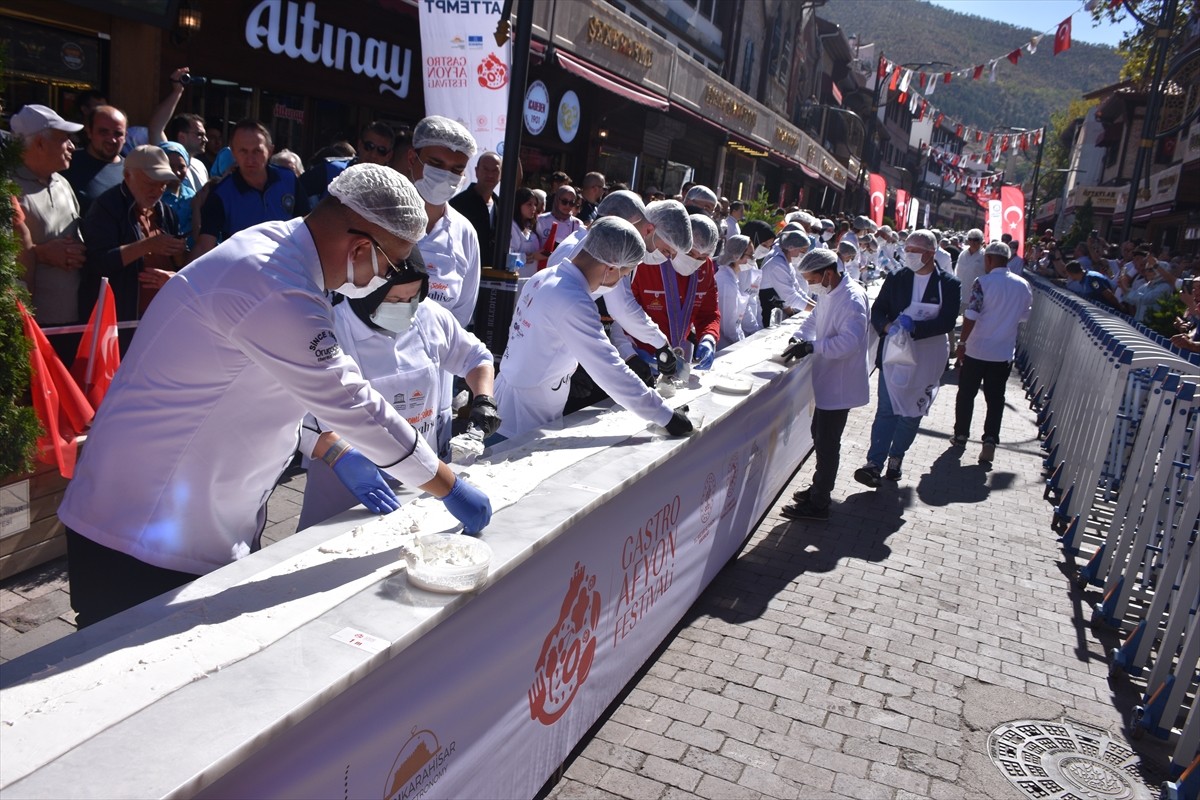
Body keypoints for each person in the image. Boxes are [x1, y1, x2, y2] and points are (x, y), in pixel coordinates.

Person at [57, 164, 493, 628]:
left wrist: (332, 449)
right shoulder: (273, 282)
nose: (382, 280)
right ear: (361, 247)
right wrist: (448, 485)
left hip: (190, 519)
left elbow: (282, 387)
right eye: (388, 267)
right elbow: (350, 402)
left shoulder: (283, 253)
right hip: (142, 536)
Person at [298, 248, 496, 529]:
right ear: (369, 292)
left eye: (412, 298)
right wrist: (337, 454)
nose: (405, 307)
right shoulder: (329, 330)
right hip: (348, 489)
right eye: (394, 299)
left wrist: (484, 398)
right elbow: (296, 419)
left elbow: (476, 357)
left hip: (422, 481)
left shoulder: (430, 318)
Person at [492, 217, 693, 440]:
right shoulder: (573, 299)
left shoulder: (547, 276)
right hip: (525, 417)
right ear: (610, 267)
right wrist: (665, 415)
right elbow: (609, 369)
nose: (620, 282)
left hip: (513, 397)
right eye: (624, 274)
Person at [855, 229, 961, 487]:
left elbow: (947, 320)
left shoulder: (948, 284)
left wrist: (917, 328)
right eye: (908, 249)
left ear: (931, 254)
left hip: (928, 355)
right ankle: (874, 464)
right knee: (887, 409)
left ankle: (896, 456)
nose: (909, 255)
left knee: (913, 412)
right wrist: (888, 327)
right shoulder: (897, 278)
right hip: (895, 354)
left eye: (915, 251)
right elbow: (878, 310)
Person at [779, 248, 870, 520]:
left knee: (828, 442)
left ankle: (820, 503)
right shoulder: (830, 292)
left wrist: (812, 346)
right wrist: (799, 337)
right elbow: (815, 317)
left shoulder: (851, 299)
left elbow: (849, 343)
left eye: (811, 279)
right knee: (819, 435)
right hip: (828, 378)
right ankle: (819, 487)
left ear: (828, 273)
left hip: (839, 382)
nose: (810, 285)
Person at [79, 145, 188, 353]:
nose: (157, 191)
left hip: (160, 317)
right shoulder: (105, 208)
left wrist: (178, 255)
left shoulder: (166, 212)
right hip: (121, 321)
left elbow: (180, 263)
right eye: (150, 183)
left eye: (163, 185)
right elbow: (98, 263)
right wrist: (147, 246)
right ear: (128, 175)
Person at [11, 104, 87, 364]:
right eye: (63, 138)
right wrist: (40, 253)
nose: (72, 146)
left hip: (73, 320)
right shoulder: (7, 187)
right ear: (40, 143)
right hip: (32, 325)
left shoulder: (63, 182)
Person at [395, 116, 481, 330]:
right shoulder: (382, 218)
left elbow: (462, 312)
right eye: (436, 164)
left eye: (456, 169)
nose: (445, 176)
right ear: (412, 158)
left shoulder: (465, 233)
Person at [952, 241, 1032, 464]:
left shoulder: (982, 283)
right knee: (995, 398)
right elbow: (1024, 317)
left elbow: (972, 314)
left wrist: (962, 343)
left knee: (966, 393)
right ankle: (989, 439)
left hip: (977, 349)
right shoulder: (1023, 285)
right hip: (1003, 352)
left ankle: (960, 435)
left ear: (988, 259)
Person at [613, 213, 721, 372]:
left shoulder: (706, 268)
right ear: (678, 243)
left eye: (703, 257)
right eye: (690, 253)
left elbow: (709, 313)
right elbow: (622, 312)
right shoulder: (648, 261)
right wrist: (630, 353)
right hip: (640, 354)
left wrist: (708, 338)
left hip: (679, 355)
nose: (695, 261)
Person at [192, 120, 309, 258]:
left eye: (257, 151)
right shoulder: (221, 194)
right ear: (233, 152)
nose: (250, 158)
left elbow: (308, 226)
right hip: (244, 270)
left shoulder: (288, 180)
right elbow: (204, 246)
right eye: (243, 151)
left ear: (270, 150)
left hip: (287, 265)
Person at [302, 121, 396, 205]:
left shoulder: (391, 189)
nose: (373, 154)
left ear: (389, 156)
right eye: (369, 146)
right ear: (359, 145)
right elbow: (295, 194)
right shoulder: (332, 170)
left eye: (381, 150)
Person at [148, 68, 211, 194]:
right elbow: (156, 127)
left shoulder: (200, 166)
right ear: (182, 136)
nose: (206, 139)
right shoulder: (165, 155)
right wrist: (178, 91)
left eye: (205, 135)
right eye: (199, 134)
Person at [63, 105, 127, 215]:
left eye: (118, 133)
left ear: (125, 136)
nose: (111, 139)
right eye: (103, 132)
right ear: (89, 132)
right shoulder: (67, 164)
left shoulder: (133, 169)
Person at [449, 151, 502, 265]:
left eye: (495, 170)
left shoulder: (501, 206)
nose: (490, 174)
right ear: (477, 171)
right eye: (486, 169)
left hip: (492, 274)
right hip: (462, 268)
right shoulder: (458, 203)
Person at [759, 227, 814, 328]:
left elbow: (798, 290)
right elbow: (791, 298)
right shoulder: (777, 264)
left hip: (776, 312)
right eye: (802, 251)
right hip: (767, 314)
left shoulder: (786, 263)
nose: (803, 255)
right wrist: (817, 311)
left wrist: (817, 307)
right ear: (791, 248)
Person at [714, 234, 762, 348]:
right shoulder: (726, 282)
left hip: (732, 343)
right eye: (750, 255)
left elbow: (743, 311)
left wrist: (756, 332)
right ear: (736, 255)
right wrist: (743, 344)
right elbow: (729, 327)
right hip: (725, 347)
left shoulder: (733, 278)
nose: (753, 259)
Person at [158, 141, 196, 246]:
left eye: (181, 167)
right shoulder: (154, 196)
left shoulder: (192, 195)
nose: (176, 172)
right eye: (171, 166)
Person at [536, 185, 584, 252]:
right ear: (557, 200)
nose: (567, 206)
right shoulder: (541, 220)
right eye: (564, 201)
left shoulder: (578, 224)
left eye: (571, 203)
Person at [509, 186, 542, 275]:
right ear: (518, 204)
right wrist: (532, 256)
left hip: (531, 279)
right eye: (529, 204)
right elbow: (509, 260)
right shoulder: (512, 226)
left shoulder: (531, 226)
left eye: (535, 204)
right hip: (517, 279)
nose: (533, 208)